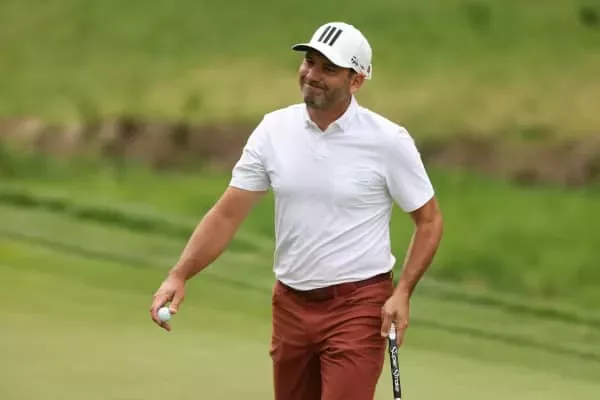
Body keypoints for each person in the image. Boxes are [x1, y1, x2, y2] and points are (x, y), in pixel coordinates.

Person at [150, 21, 444, 400]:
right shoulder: (274, 130)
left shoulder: (388, 141)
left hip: (358, 304)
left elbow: (429, 221)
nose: (312, 75)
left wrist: (403, 292)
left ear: (356, 81)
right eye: (309, 62)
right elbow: (227, 214)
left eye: (329, 68)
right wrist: (179, 274)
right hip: (290, 303)